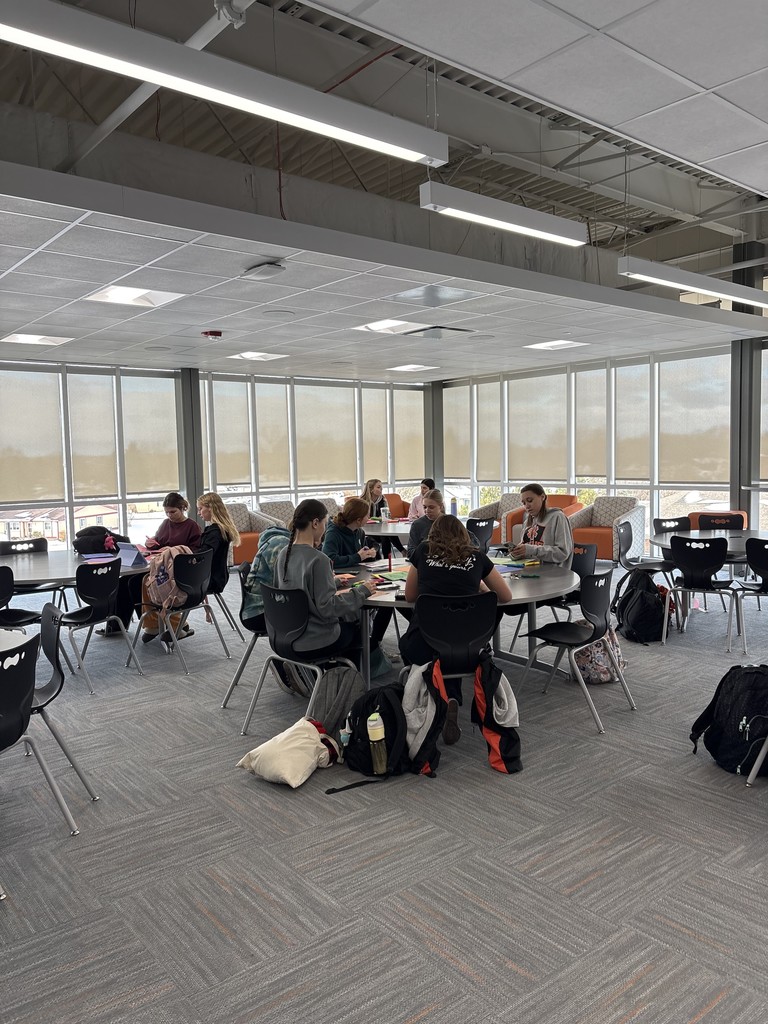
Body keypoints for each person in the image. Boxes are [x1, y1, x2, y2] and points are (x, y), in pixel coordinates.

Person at [399, 514, 512, 670]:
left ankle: (428, 684)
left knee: (406, 643)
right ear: (464, 533)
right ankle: (449, 687)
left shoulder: (423, 550)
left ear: (433, 533)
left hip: (425, 641)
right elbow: (506, 596)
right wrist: (481, 586)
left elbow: (410, 596)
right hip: (469, 642)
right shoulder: (477, 556)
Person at [274, 498, 376, 663]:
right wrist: (361, 592)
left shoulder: (283, 554)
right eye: (325, 523)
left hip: (284, 636)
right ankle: (345, 681)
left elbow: (296, 590)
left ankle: (307, 673)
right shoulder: (318, 559)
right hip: (314, 639)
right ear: (315, 523)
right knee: (358, 631)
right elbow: (329, 608)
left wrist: (332, 582)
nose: (325, 528)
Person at [141, 491, 202, 643]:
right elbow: (159, 541)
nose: (169, 515)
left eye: (173, 512)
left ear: (182, 508)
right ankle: (158, 623)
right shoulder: (165, 523)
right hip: (162, 564)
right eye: (167, 512)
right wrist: (152, 542)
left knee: (153, 582)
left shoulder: (192, 526)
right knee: (141, 581)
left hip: (180, 568)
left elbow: (194, 551)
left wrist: (170, 550)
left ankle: (170, 624)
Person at [510, 483, 573, 567]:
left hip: (554, 574)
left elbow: (562, 553)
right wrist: (516, 553)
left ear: (542, 497)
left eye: (530, 500)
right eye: (524, 503)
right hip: (531, 571)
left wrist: (532, 550)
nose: (527, 506)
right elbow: (526, 551)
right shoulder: (527, 522)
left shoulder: (557, 517)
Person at [196, 492, 241, 594]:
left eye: (200, 509)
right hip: (218, 577)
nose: (199, 513)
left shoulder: (215, 532)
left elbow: (203, 555)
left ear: (210, 508)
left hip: (210, 580)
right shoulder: (220, 529)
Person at [322, 497, 378, 569]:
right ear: (358, 520)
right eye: (367, 515)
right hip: (340, 576)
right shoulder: (333, 533)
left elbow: (361, 558)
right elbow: (330, 560)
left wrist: (369, 554)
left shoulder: (360, 532)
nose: (369, 517)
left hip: (357, 572)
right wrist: (358, 557)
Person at [361, 478, 405, 556]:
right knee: (385, 535)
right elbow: (361, 517)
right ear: (371, 489)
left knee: (386, 534)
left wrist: (386, 517)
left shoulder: (383, 499)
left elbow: (387, 515)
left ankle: (388, 558)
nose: (381, 489)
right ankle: (402, 551)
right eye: (378, 487)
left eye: (381, 487)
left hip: (380, 528)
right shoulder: (362, 501)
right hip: (367, 531)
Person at [406, 488, 444, 560]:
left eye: (431, 507)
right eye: (424, 507)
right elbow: (410, 551)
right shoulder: (417, 524)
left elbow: (469, 540)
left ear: (441, 506)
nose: (427, 510)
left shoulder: (450, 522)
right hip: (425, 562)